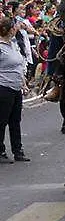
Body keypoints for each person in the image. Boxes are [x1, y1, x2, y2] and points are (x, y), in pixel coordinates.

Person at [0, 16, 28, 163]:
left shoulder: (13, 44)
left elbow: (18, 65)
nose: (16, 29)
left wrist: (23, 83)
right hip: (3, 87)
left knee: (15, 120)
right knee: (2, 120)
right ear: (9, 29)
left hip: (16, 87)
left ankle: (18, 151)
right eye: (14, 27)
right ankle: (0, 150)